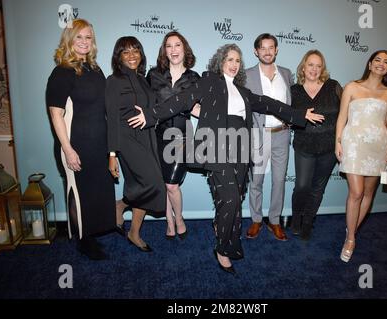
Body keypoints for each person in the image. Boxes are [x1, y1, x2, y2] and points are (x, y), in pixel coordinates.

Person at [139, 43, 324, 274]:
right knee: (231, 200)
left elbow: (269, 104)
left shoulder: (243, 91)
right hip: (216, 148)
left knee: (234, 198)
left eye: (238, 61)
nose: (234, 64)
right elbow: (181, 101)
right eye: (229, 60)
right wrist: (149, 115)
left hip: (241, 148)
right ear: (220, 62)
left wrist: (298, 115)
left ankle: (226, 234)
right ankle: (222, 249)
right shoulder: (209, 82)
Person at [46, 19, 115, 260]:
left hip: (98, 143)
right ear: (69, 40)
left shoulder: (95, 70)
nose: (85, 42)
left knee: (95, 191)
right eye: (79, 37)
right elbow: (56, 114)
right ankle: (83, 240)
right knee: (78, 191)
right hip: (75, 144)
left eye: (88, 37)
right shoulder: (62, 71)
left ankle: (92, 233)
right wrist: (68, 149)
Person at [335, 50, 387, 262]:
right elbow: (342, 117)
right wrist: (338, 142)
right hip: (353, 144)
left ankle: (350, 229)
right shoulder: (352, 87)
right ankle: (351, 238)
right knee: (357, 192)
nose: (381, 64)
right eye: (377, 60)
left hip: (378, 148)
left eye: (386, 62)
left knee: (368, 193)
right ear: (370, 64)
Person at [105, 36, 167, 253]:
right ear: (118, 56)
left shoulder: (143, 79)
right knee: (153, 182)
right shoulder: (113, 81)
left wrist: (149, 117)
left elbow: (153, 109)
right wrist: (112, 153)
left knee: (144, 186)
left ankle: (132, 228)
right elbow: (111, 117)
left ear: (141, 54)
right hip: (126, 139)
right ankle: (121, 206)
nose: (131, 56)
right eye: (125, 52)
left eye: (135, 51)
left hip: (147, 136)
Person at [146, 31, 200, 240]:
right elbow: (146, 103)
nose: (174, 50)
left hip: (182, 136)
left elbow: (197, 109)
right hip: (157, 135)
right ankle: (169, 222)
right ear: (164, 51)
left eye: (177, 45)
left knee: (172, 184)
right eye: (169, 46)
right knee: (163, 183)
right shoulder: (153, 75)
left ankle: (178, 219)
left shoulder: (194, 78)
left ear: (184, 49)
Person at [290, 50, 342, 240]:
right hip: (304, 146)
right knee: (302, 186)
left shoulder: (333, 86)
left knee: (318, 188)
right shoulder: (294, 90)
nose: (314, 69)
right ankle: (296, 218)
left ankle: (308, 223)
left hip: (329, 147)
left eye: (318, 65)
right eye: (310, 64)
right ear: (303, 66)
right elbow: (288, 118)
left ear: (323, 69)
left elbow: (345, 114)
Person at [245, 33, 292, 242]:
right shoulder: (246, 75)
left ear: (277, 50)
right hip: (258, 135)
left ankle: (274, 220)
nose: (267, 51)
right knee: (256, 180)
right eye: (262, 48)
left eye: (271, 47)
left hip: (282, 135)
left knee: (279, 181)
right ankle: (256, 219)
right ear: (256, 51)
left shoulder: (287, 74)